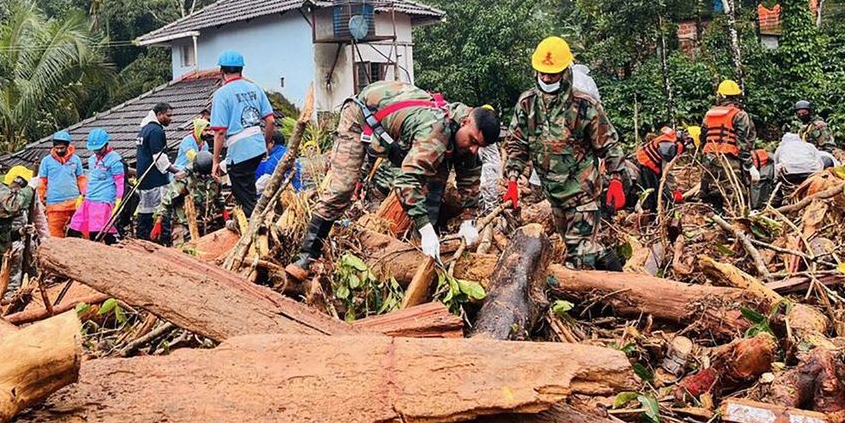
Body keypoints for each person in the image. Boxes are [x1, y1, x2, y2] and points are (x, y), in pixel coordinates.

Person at [285, 80, 499, 281]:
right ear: (465, 121)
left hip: (401, 121)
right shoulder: (435, 132)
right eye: (472, 141)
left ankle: (422, 254)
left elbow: (469, 178)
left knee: (434, 188)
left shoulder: (465, 135)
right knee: (343, 188)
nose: (473, 149)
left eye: (479, 146)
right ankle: (306, 256)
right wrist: (426, 228)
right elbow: (405, 181)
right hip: (362, 115)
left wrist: (468, 221)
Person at [503, 36, 627, 270]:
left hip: (582, 190)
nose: (547, 79)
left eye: (553, 74)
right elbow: (517, 143)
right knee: (577, 246)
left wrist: (617, 179)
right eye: (543, 73)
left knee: (578, 259)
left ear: (566, 71)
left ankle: (596, 299)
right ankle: (610, 264)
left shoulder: (584, 105)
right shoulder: (527, 104)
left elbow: (609, 143)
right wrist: (512, 179)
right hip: (554, 193)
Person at [209, 51, 275, 216]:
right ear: (241, 70)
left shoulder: (222, 94)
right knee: (249, 189)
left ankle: (255, 228)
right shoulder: (255, 88)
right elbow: (271, 121)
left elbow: (220, 132)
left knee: (244, 198)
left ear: (221, 72)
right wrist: (265, 143)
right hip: (257, 148)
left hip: (240, 152)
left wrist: (215, 160)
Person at [700, 80, 757, 210]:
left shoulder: (709, 114)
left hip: (709, 158)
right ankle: (737, 221)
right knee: (738, 194)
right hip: (729, 160)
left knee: (714, 191)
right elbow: (742, 143)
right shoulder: (740, 115)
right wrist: (749, 165)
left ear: (720, 95)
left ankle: (716, 219)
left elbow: (703, 137)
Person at [135, 103, 181, 245]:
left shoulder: (144, 130)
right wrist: (176, 171)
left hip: (143, 180)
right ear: (159, 114)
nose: (170, 119)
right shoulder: (156, 131)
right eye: (168, 115)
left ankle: (142, 240)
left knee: (145, 211)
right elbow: (160, 159)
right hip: (156, 180)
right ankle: (162, 243)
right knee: (162, 212)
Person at [154, 150, 225, 242]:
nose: (204, 177)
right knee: (182, 250)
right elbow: (167, 201)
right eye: (202, 175)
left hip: (206, 224)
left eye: (206, 175)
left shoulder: (213, 181)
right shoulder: (184, 181)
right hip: (184, 224)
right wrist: (158, 221)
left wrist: (224, 213)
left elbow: (219, 197)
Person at [69, 128, 125, 244]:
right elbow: (92, 178)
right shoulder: (92, 160)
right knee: (75, 227)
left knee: (98, 232)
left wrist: (119, 200)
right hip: (90, 198)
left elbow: (119, 182)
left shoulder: (115, 160)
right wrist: (83, 194)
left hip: (103, 200)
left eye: (99, 149)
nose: (97, 152)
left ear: (106, 144)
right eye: (94, 150)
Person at [630, 127, 696, 211]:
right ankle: (650, 213)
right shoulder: (672, 146)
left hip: (649, 163)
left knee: (657, 189)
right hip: (646, 164)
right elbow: (666, 171)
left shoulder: (673, 140)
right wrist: (673, 189)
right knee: (652, 192)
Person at [37, 131, 87, 238]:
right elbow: (42, 182)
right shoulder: (46, 161)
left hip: (74, 203)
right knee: (55, 237)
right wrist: (39, 200)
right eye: (57, 148)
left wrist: (85, 193)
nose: (59, 150)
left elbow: (81, 178)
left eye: (62, 148)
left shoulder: (76, 159)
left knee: (80, 234)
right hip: (55, 206)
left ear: (68, 146)